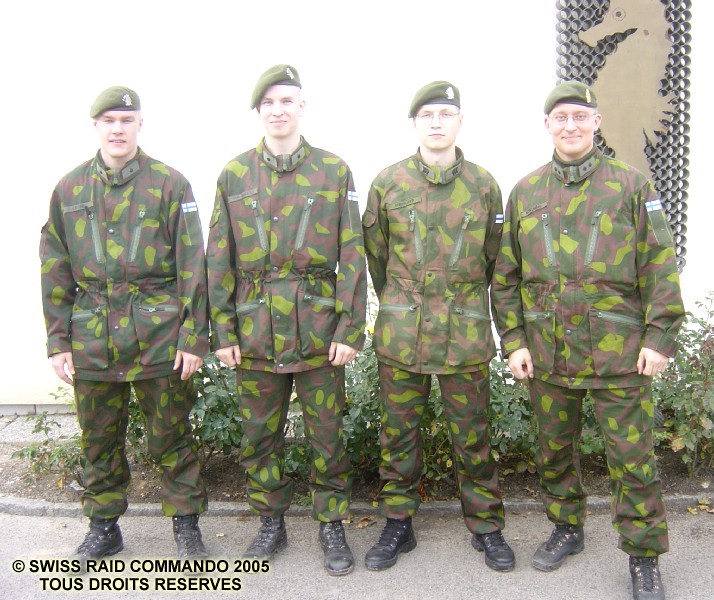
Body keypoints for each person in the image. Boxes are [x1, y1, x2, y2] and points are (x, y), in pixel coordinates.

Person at [491, 81, 685, 600]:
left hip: (619, 353)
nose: (570, 126)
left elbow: (659, 264)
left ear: (596, 122)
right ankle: (567, 528)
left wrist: (659, 337)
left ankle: (643, 557)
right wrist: (514, 340)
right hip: (548, 351)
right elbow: (506, 276)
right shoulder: (526, 192)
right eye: (561, 118)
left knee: (632, 459)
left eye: (580, 116)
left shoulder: (631, 185)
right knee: (554, 451)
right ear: (547, 126)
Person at [205, 64, 367, 577]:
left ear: (302, 107)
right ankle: (270, 521)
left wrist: (349, 329)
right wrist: (222, 331)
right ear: (258, 111)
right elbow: (218, 256)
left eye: (287, 101)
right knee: (259, 435)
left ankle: (332, 523)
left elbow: (352, 253)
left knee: (327, 435)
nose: (278, 110)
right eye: (269, 103)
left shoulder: (333, 171)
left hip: (318, 331)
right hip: (254, 330)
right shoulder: (234, 175)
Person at [39, 86, 210, 566]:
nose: (118, 129)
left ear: (140, 125)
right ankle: (103, 527)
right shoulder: (70, 189)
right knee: (98, 438)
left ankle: (186, 526)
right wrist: (58, 341)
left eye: (126, 120)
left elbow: (193, 264)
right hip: (92, 337)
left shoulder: (169, 184)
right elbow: (54, 266)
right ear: (96, 126)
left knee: (171, 434)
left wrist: (193, 337)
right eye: (109, 120)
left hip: (159, 336)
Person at [361, 81, 515, 573]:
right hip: (403, 334)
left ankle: (486, 525)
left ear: (460, 122)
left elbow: (495, 261)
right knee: (398, 436)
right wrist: (405, 300)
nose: (436, 122)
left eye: (445, 114)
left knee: (472, 435)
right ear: (414, 123)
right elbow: (377, 259)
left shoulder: (484, 185)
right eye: (427, 114)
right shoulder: (388, 183)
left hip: (463, 334)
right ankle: (398, 523)